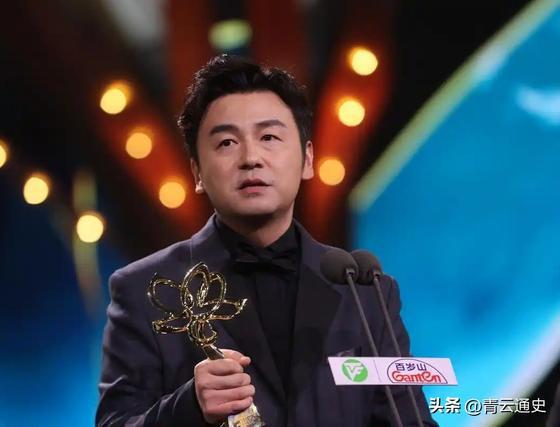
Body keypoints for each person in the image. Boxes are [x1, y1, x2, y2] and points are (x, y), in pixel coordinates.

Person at [96, 54, 437, 427]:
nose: (251, 158)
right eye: (227, 142)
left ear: (308, 159)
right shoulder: (143, 290)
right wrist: (189, 406)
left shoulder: (366, 293)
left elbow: (410, 420)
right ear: (197, 172)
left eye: (269, 137)